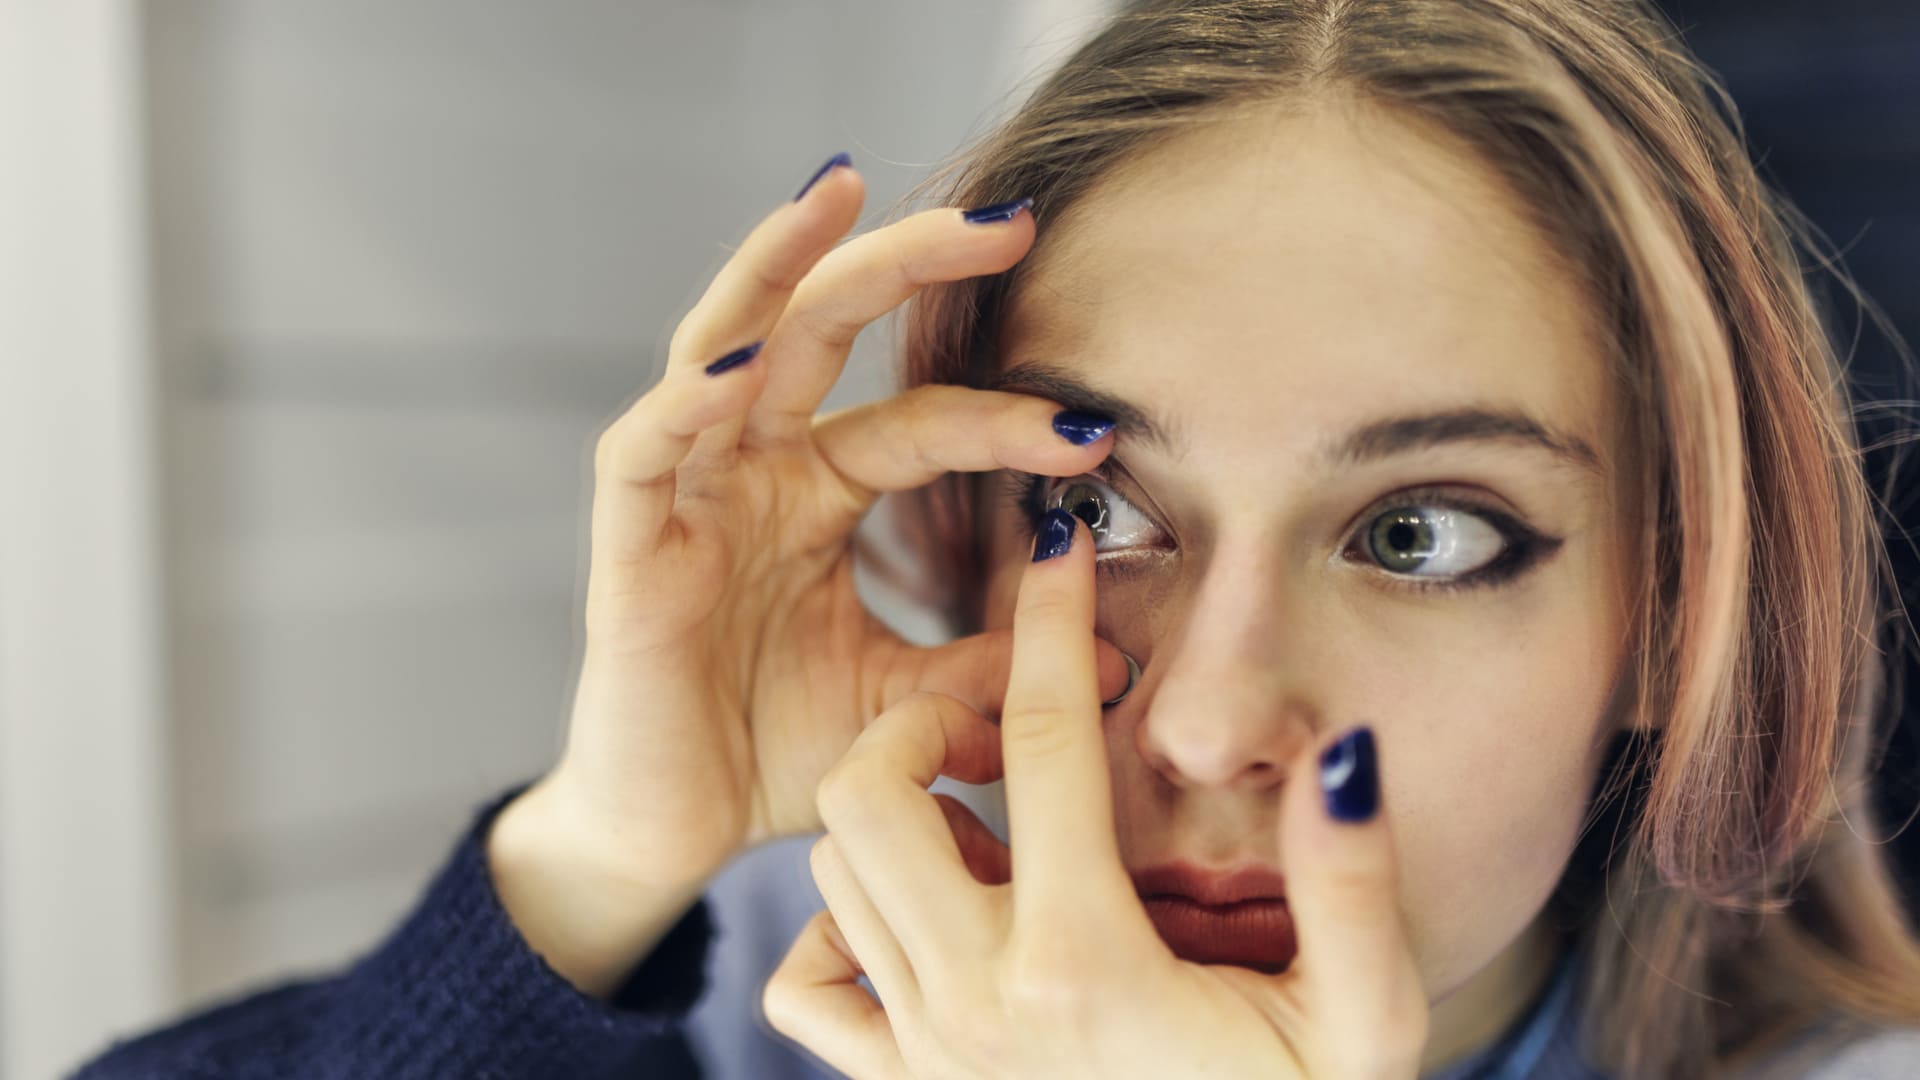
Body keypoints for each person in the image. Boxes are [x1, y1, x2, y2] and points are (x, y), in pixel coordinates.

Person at [71, 1, 1920, 1077]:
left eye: (1422, 533)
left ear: (1671, 625)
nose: (1208, 726)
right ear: (965, 530)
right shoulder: (751, 980)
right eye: (1096, 507)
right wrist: (597, 856)